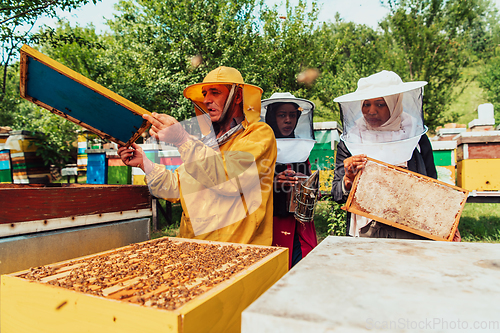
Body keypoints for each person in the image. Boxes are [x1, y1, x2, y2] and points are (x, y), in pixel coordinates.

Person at [118, 66, 277, 245]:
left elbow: (227, 178)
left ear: (238, 97)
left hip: (237, 252)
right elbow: (176, 188)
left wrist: (181, 138)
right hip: (193, 249)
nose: (207, 100)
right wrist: (144, 163)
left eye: (215, 92)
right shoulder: (204, 144)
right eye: (204, 93)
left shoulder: (258, 134)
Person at [331, 70, 460, 240]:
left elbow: (432, 186)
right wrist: (348, 179)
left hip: (412, 227)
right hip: (366, 230)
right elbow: (337, 193)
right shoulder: (352, 140)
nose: (371, 111)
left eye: (380, 104)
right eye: (366, 104)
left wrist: (446, 222)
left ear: (394, 103)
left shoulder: (416, 137)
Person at [261, 92, 318, 267]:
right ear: (271, 117)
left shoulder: (301, 148)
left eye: (292, 115)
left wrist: (310, 186)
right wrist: (274, 182)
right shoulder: (260, 147)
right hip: (272, 223)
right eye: (281, 115)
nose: (288, 120)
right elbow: (248, 186)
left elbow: (309, 180)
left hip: (301, 226)